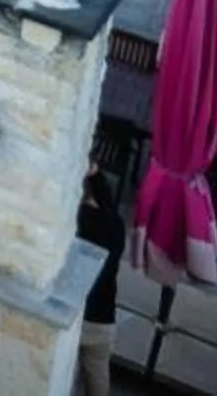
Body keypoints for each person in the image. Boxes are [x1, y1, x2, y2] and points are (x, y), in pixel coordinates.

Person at [77, 162, 125, 396]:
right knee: (98, 382)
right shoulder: (117, 226)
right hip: (105, 321)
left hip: (80, 316)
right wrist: (95, 173)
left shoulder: (78, 221)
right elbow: (105, 197)